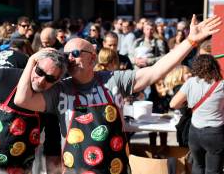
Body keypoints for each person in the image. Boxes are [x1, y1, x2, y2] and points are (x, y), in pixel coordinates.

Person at [14, 15, 222, 173]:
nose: (69, 59)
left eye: (75, 54)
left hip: (116, 169)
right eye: (66, 55)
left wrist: (190, 42)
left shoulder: (113, 80)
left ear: (92, 58)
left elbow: (155, 71)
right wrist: (32, 61)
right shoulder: (60, 89)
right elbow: (22, 99)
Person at [170, 54, 224, 174]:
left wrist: (190, 103)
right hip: (214, 133)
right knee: (213, 170)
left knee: (197, 167)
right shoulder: (221, 85)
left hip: (194, 132)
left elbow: (173, 104)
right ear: (215, 67)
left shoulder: (190, 82)